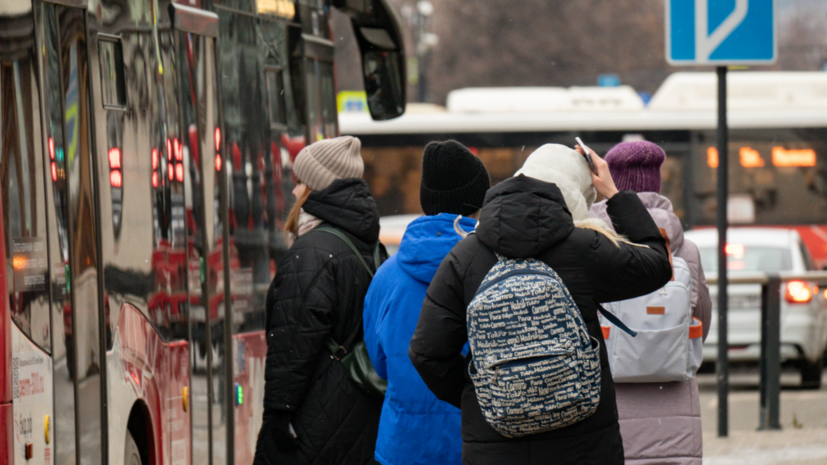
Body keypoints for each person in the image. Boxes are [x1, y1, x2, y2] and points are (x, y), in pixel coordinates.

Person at [409, 143, 673, 465]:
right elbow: (657, 266)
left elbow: (427, 352)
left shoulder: (464, 257)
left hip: (496, 449)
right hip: (582, 445)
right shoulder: (583, 248)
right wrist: (615, 195)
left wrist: (488, 396)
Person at [254, 136, 386, 465]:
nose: (295, 191)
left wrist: (279, 413)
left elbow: (293, 342)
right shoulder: (370, 244)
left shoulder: (311, 252)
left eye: (300, 183)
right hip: (356, 408)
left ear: (317, 189)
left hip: (313, 415)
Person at [363, 140, 491, 465]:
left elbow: (378, 363)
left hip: (403, 445)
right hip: (477, 441)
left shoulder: (388, 275)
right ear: (479, 201)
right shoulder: (494, 267)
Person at [590, 140, 712, 465]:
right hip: (671, 398)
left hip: (609, 398)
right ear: (657, 182)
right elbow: (701, 321)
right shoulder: (686, 250)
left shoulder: (592, 241)